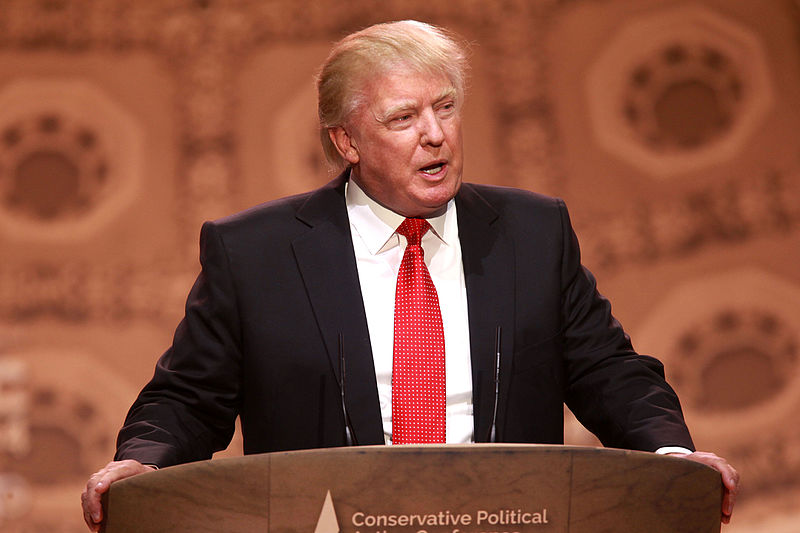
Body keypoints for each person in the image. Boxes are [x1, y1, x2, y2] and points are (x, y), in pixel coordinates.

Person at [81, 20, 739, 531]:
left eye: (445, 108)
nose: (435, 135)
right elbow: (188, 398)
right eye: (403, 118)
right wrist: (143, 461)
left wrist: (673, 460)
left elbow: (610, 372)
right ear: (346, 141)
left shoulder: (533, 233)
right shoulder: (256, 254)